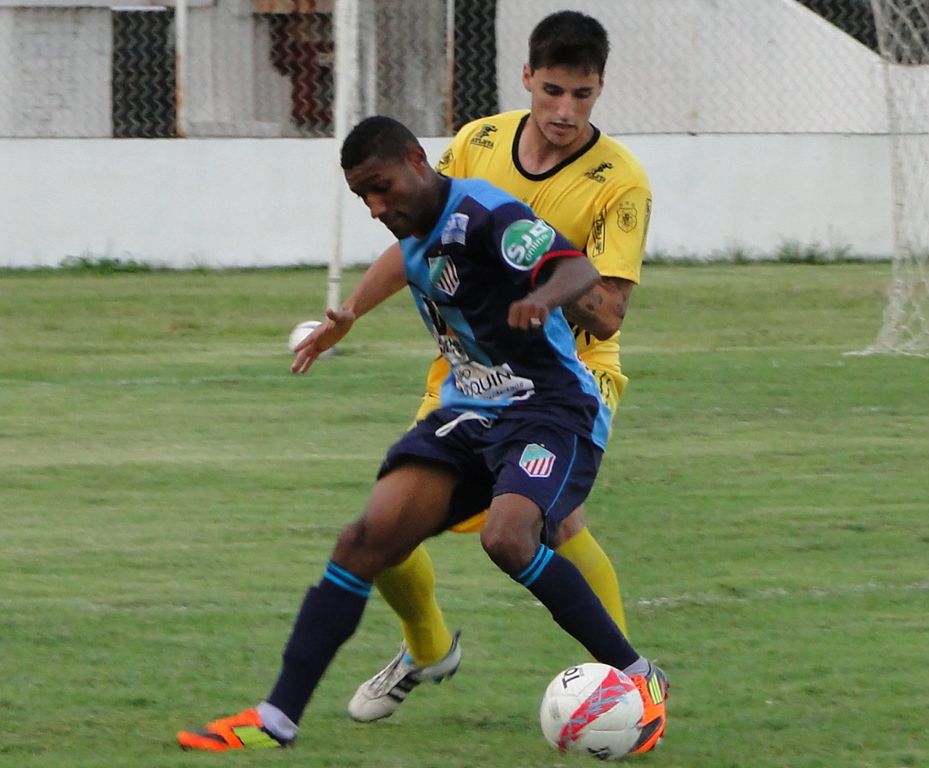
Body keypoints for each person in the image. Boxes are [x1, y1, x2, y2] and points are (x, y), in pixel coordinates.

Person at [176, 115, 668, 752]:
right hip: (467, 413)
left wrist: (543, 298)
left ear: (417, 160)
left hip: (546, 411)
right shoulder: (413, 226)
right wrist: (348, 314)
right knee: (364, 540)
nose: (377, 207)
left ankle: (637, 677)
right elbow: (403, 260)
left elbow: (578, 273)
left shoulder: (487, 214)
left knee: (509, 537)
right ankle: (276, 719)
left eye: (382, 188)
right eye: (363, 198)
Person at [305, 10, 660, 748]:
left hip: (568, 371)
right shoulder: (478, 142)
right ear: (527, 77)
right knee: (387, 527)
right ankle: (428, 648)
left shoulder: (620, 181)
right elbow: (419, 239)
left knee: (548, 523)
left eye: (583, 96)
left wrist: (542, 271)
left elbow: (611, 312)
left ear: (600, 90)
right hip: (468, 367)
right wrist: (350, 314)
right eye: (554, 90)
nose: (565, 112)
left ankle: (630, 687)